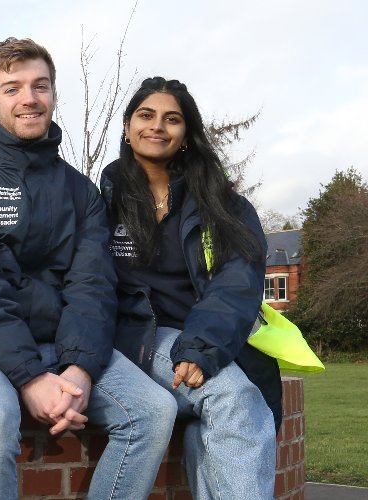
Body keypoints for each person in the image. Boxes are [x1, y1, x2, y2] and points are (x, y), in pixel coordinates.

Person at [0, 37, 177, 499]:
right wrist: (28, 377)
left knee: (152, 411)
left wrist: (80, 371)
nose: (29, 98)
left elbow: (93, 285)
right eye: (12, 88)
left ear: (52, 94)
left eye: (39, 86)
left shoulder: (80, 190)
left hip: (64, 347)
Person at [102, 76, 280, 499]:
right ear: (127, 127)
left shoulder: (224, 205)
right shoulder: (103, 202)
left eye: (172, 119)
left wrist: (201, 347)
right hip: (138, 338)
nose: (157, 126)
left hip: (205, 339)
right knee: (232, 397)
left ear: (186, 134)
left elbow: (237, 284)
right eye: (146, 115)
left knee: (225, 414)